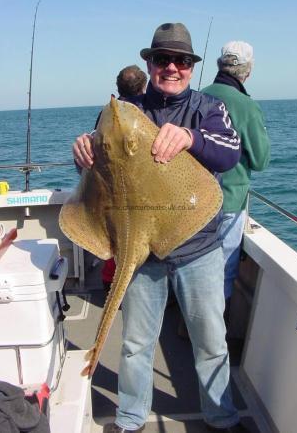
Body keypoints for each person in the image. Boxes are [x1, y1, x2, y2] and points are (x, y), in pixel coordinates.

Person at [73, 23, 249, 433]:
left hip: (198, 247)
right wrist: (83, 152)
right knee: (135, 344)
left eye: (182, 60)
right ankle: (130, 419)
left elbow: (231, 152)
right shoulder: (125, 111)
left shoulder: (207, 108)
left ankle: (221, 417)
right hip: (141, 253)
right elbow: (98, 173)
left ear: (191, 67)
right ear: (148, 63)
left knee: (211, 343)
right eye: (162, 59)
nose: (172, 67)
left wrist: (191, 138)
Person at [201, 41, 270, 323]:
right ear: (247, 71)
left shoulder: (198, 96)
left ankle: (185, 323)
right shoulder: (247, 106)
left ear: (220, 65)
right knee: (224, 272)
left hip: (195, 203)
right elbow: (261, 160)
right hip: (229, 202)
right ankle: (216, 338)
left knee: (194, 265)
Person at [101, 65, 147, 293]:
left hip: (110, 190)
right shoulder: (144, 112)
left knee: (114, 236)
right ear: (144, 87)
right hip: (138, 190)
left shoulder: (106, 113)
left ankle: (110, 279)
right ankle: (128, 283)